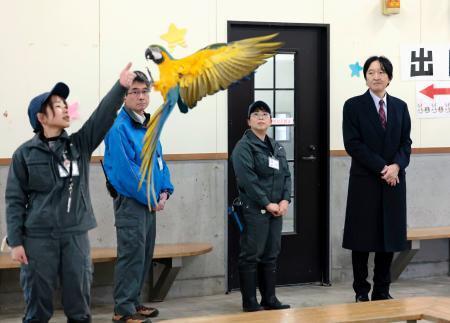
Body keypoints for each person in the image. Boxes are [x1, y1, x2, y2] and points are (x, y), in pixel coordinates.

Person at [5, 63, 137, 323]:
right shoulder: (24, 154)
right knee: (37, 308)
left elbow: (102, 116)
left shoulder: (79, 144)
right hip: (37, 238)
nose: (64, 107)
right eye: (56, 105)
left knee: (79, 307)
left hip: (75, 236)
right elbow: (14, 200)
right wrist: (16, 241)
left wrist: (120, 87)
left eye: (65, 103)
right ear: (41, 118)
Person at [103, 71, 174, 323]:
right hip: (132, 202)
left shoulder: (148, 124)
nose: (141, 97)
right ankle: (122, 310)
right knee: (131, 254)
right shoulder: (118, 127)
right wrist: (151, 196)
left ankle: (132, 302)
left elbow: (160, 162)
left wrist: (165, 190)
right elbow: (125, 172)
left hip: (151, 201)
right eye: (135, 92)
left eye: (145, 91)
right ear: (124, 96)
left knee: (144, 254)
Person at [342, 56, 412, 302]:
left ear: (389, 77)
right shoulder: (353, 106)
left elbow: (406, 143)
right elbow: (353, 144)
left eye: (381, 72)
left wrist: (396, 166)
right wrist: (384, 168)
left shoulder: (401, 107)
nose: (376, 76)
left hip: (394, 181)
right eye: (371, 72)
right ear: (365, 77)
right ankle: (361, 291)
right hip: (365, 181)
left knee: (388, 238)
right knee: (361, 240)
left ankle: (383, 289)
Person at [231, 100, 291, 312]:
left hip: (276, 210)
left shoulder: (276, 146)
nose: (261, 117)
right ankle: (250, 302)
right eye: (256, 114)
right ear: (249, 121)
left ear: (271, 120)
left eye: (265, 114)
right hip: (255, 209)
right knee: (251, 254)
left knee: (271, 254)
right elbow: (248, 180)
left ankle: (270, 299)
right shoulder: (243, 147)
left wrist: (285, 200)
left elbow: (286, 175)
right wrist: (267, 203)